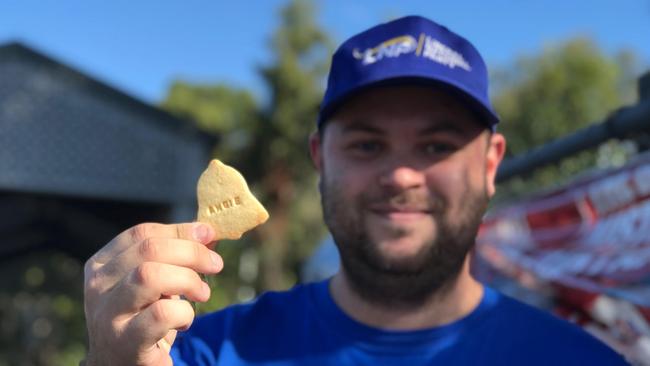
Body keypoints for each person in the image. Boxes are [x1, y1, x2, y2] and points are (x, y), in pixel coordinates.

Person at [82, 16, 629, 365]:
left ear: (491, 165)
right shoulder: (197, 353)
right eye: (367, 145)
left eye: (437, 146)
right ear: (321, 160)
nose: (400, 176)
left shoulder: (581, 360)